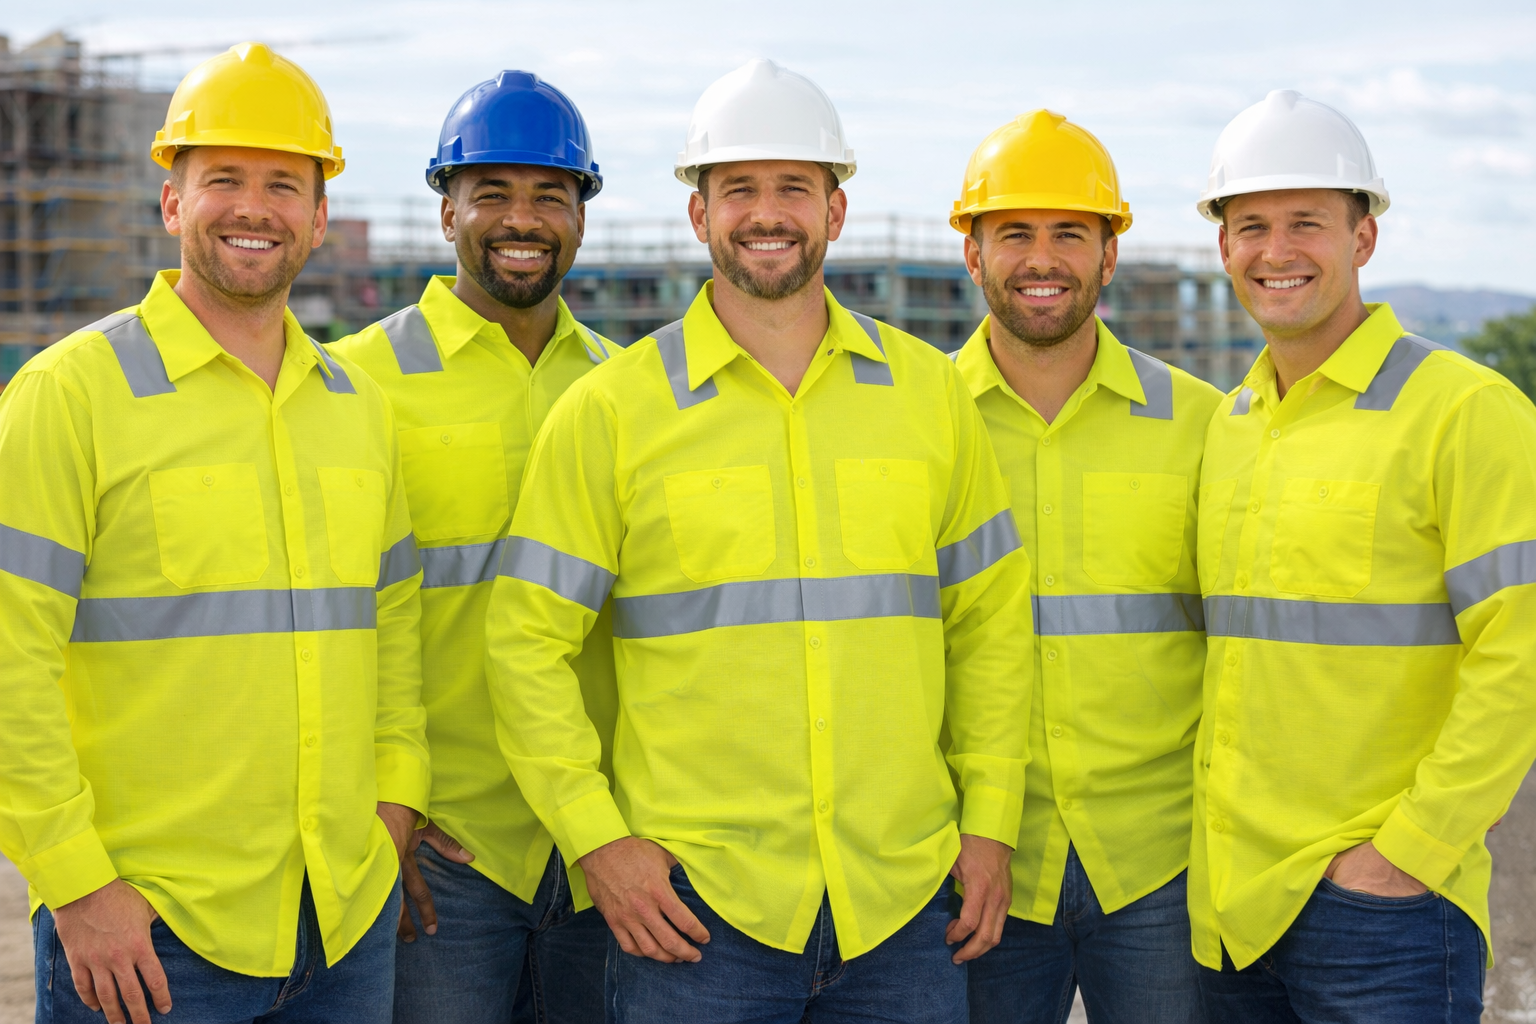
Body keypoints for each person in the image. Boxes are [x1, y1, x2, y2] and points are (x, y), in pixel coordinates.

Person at [483, 58, 1034, 1023]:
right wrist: (597, 843)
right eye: (738, 189)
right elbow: (524, 643)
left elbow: (989, 626)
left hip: (902, 907)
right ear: (700, 215)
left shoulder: (930, 397)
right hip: (695, 913)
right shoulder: (611, 411)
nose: (766, 213)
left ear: (836, 210)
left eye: (794, 188)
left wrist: (991, 824)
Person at [0, 43, 427, 1024]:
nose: (253, 207)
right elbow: (9, 660)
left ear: (318, 217)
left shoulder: (357, 409)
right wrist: (75, 883)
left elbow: (396, 627)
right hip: (146, 933)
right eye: (221, 178)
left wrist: (395, 805)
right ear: (171, 203)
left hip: (345, 917)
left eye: (284, 182)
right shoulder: (70, 395)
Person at [1191, 89, 1536, 1023]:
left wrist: (1410, 852)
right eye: (1251, 224)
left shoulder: (1463, 410)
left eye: (1308, 222)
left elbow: (1522, 653)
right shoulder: (1230, 427)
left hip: (1383, 914)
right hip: (1230, 910)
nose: (1276, 250)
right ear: (1222, 247)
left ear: (1364, 239)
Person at [328, 70, 621, 1024]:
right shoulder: (354, 387)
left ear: (583, 213)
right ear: (444, 208)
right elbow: (332, 623)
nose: (521, 219)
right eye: (490, 192)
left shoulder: (629, 391)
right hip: (442, 851)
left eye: (550, 194)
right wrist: (381, 812)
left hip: (608, 851)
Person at [951, 111, 1220, 1024]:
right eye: (1013, 233)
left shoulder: (1200, 424)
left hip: (1161, 865)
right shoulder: (915, 423)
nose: (1042, 258)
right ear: (972, 253)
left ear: (1110, 254)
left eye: (1072, 232)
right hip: (971, 864)